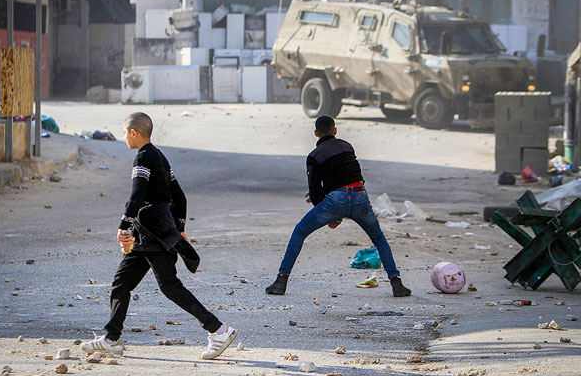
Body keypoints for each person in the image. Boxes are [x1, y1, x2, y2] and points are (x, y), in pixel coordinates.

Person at [82, 112, 236, 360]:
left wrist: (123, 224)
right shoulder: (161, 158)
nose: (124, 138)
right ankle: (112, 339)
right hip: (150, 235)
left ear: (133, 133)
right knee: (121, 283)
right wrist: (181, 227)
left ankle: (218, 329)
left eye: (124, 133)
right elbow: (180, 197)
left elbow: (137, 195)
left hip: (153, 233)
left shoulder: (143, 158)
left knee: (170, 286)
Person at [266, 115, 411, 297]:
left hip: (335, 201)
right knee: (379, 239)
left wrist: (331, 216)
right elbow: (346, 174)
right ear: (335, 131)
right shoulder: (347, 146)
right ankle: (396, 283)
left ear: (316, 133)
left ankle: (281, 281)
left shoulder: (314, 156)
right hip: (359, 196)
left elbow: (314, 189)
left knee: (300, 232)